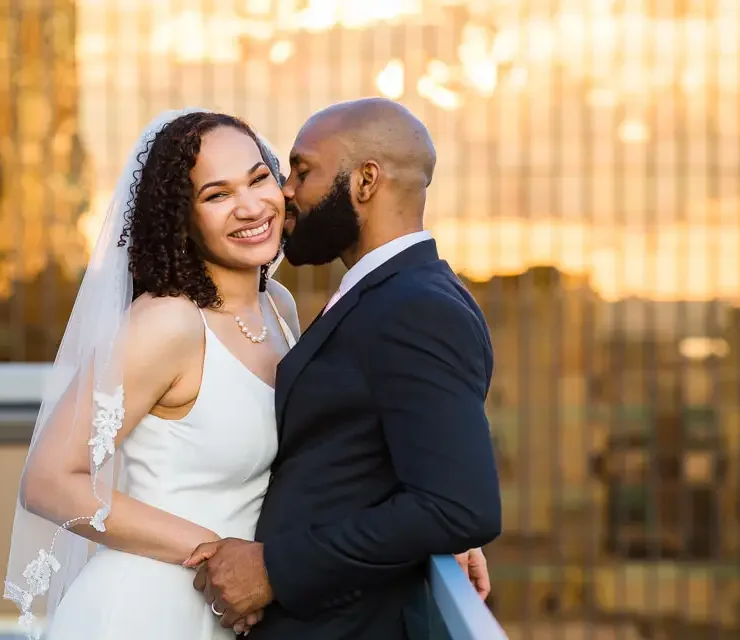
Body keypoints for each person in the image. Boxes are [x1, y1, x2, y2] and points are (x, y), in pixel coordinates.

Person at [185, 97, 502, 639]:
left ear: (365, 182)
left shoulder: (417, 307)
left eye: (302, 171)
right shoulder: (385, 294)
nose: (284, 192)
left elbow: (459, 506)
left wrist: (275, 570)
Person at [3, 108, 299, 639]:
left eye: (259, 179)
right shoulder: (168, 322)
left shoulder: (278, 307)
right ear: (181, 218)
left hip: (234, 610)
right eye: (217, 195)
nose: (252, 206)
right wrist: (213, 555)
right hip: (145, 611)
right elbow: (47, 481)